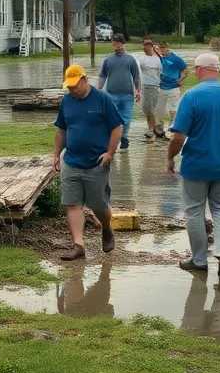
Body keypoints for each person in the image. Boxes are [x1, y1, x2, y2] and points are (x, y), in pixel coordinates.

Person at [167, 52, 220, 277]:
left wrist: (170, 157)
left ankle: (199, 260)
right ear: (218, 70)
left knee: (194, 211)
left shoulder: (192, 96)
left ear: (200, 70)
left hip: (196, 165)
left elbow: (179, 135)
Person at [52, 64, 123, 261]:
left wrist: (110, 152)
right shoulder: (67, 101)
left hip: (97, 163)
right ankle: (78, 245)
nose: (73, 90)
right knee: (72, 204)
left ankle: (107, 229)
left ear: (85, 79)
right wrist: (57, 154)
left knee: (98, 206)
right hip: (72, 161)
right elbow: (62, 130)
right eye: (69, 87)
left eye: (75, 86)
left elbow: (117, 127)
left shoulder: (102, 100)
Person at [97, 34, 140, 149]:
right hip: (111, 94)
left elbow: (136, 76)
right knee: (111, 118)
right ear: (112, 44)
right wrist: (99, 90)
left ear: (123, 43)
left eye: (119, 42)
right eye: (114, 42)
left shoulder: (130, 59)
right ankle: (111, 138)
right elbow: (102, 75)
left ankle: (123, 137)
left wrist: (138, 91)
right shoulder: (108, 59)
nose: (117, 45)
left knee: (126, 118)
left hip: (128, 95)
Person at [155, 42, 188, 138]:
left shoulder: (175, 59)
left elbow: (186, 70)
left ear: (167, 47)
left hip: (173, 88)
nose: (161, 49)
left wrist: (180, 80)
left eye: (163, 47)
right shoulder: (161, 58)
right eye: (159, 48)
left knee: (173, 109)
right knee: (159, 109)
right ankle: (159, 130)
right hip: (162, 87)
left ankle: (172, 129)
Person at [136, 38, 164, 143]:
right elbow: (139, 73)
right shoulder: (142, 59)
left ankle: (152, 131)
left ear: (152, 47)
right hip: (144, 86)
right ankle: (150, 129)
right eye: (145, 45)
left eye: (149, 45)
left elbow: (161, 71)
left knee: (150, 109)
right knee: (146, 109)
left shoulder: (157, 59)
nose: (146, 47)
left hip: (152, 86)